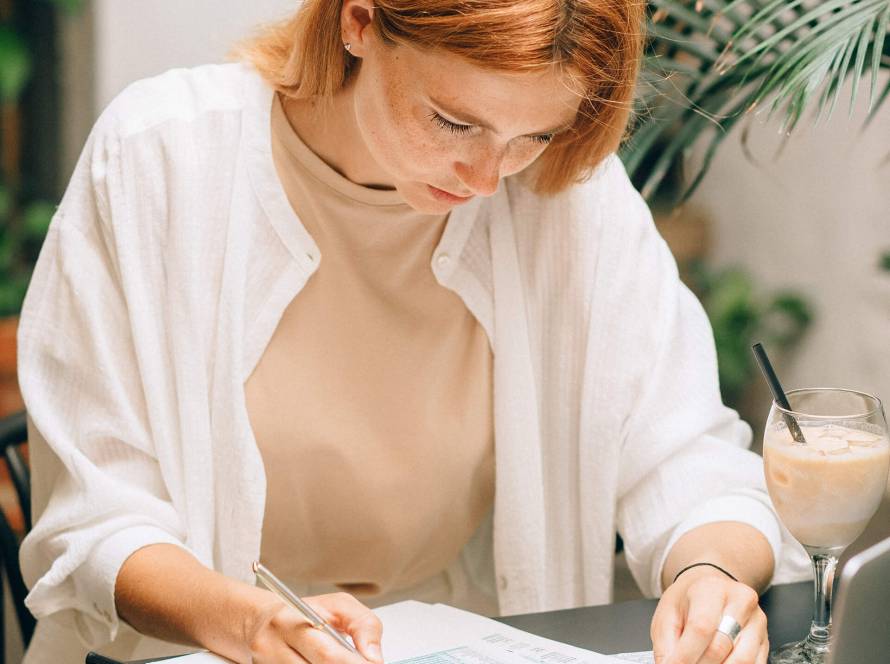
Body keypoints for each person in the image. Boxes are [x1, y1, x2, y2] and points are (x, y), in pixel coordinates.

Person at [17, 1, 807, 663]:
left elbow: (685, 455)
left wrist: (709, 570)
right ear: (358, 22)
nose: (487, 178)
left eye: (531, 135)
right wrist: (250, 622)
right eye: (454, 121)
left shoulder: (561, 194)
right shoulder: (159, 159)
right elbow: (97, 521)